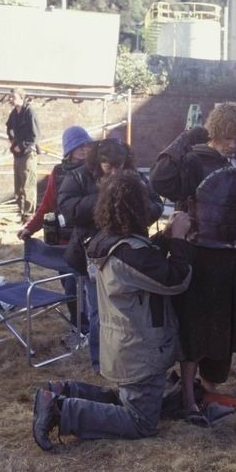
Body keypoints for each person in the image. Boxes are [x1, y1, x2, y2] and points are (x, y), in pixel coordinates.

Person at [32, 171, 193, 449]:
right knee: (141, 421)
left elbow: (145, 262)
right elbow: (175, 279)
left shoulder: (106, 240)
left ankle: (64, 390)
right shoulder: (130, 253)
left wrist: (165, 238)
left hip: (123, 344)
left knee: (129, 399)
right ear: (137, 207)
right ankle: (62, 410)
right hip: (141, 350)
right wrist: (179, 239)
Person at [150, 102, 236, 414]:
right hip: (197, 255)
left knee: (221, 327)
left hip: (228, 257)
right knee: (194, 329)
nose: (232, 145)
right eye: (227, 138)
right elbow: (160, 180)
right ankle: (187, 396)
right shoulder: (194, 159)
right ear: (215, 132)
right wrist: (184, 138)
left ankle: (208, 389)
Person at [58, 138, 163, 373]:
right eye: (108, 166)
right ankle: (100, 362)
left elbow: (156, 205)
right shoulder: (78, 176)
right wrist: (106, 197)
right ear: (98, 162)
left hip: (129, 253)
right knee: (98, 311)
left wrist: (134, 206)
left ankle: (130, 358)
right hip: (93, 253)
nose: (115, 172)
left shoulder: (135, 177)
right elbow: (68, 209)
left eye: (119, 166)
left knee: (130, 309)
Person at [18, 125, 93, 330]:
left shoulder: (95, 170)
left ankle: (89, 328)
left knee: (87, 286)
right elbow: (47, 205)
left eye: (87, 145)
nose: (84, 149)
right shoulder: (58, 172)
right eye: (79, 145)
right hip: (63, 239)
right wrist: (30, 228)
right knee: (69, 285)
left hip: (87, 239)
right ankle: (79, 326)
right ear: (69, 149)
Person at [6, 88, 40, 221]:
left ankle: (29, 216)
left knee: (28, 185)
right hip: (17, 154)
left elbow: (35, 135)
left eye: (13, 97)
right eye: (10, 97)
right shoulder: (14, 113)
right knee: (18, 186)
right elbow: (9, 127)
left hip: (28, 154)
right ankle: (21, 213)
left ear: (21, 98)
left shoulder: (29, 112)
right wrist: (13, 140)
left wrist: (21, 146)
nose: (10, 99)